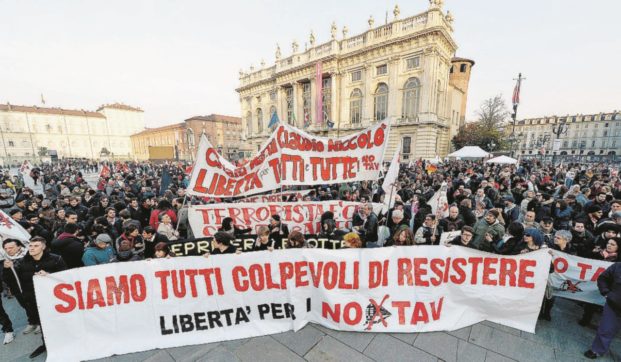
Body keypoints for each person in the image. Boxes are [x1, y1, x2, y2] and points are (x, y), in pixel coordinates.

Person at [9, 236, 67, 358]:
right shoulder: (20, 262)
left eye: (36, 246)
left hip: (54, 298)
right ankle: (46, 345)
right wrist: (7, 270)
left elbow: (65, 277)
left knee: (59, 322)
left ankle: (63, 343)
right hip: (33, 299)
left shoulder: (56, 259)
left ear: (43, 247)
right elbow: (12, 281)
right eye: (30, 246)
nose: (32, 248)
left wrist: (49, 275)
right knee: (43, 324)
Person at [584, 260, 621, 359]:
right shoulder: (617, 266)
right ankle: (596, 350)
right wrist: (605, 292)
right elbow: (603, 278)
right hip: (613, 306)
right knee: (605, 329)